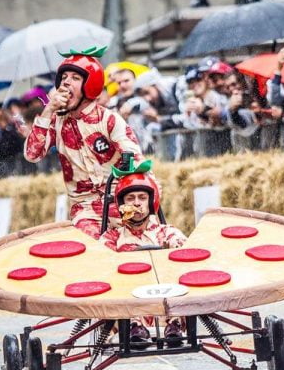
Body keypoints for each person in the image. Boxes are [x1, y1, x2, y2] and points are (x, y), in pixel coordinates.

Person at [24, 47, 144, 240]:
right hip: (85, 209)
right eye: (64, 78)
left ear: (90, 85)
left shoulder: (110, 120)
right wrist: (48, 110)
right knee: (92, 243)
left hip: (121, 201)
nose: (66, 82)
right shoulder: (55, 121)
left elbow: (137, 163)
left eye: (75, 78)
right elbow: (32, 155)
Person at [100, 164, 187, 347]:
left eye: (142, 197)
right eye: (130, 198)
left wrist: (173, 248)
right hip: (127, 301)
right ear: (122, 205)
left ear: (151, 202)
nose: (137, 203)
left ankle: (175, 324)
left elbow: (183, 248)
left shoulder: (166, 232)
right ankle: (133, 326)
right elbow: (101, 263)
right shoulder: (111, 237)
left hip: (164, 297)